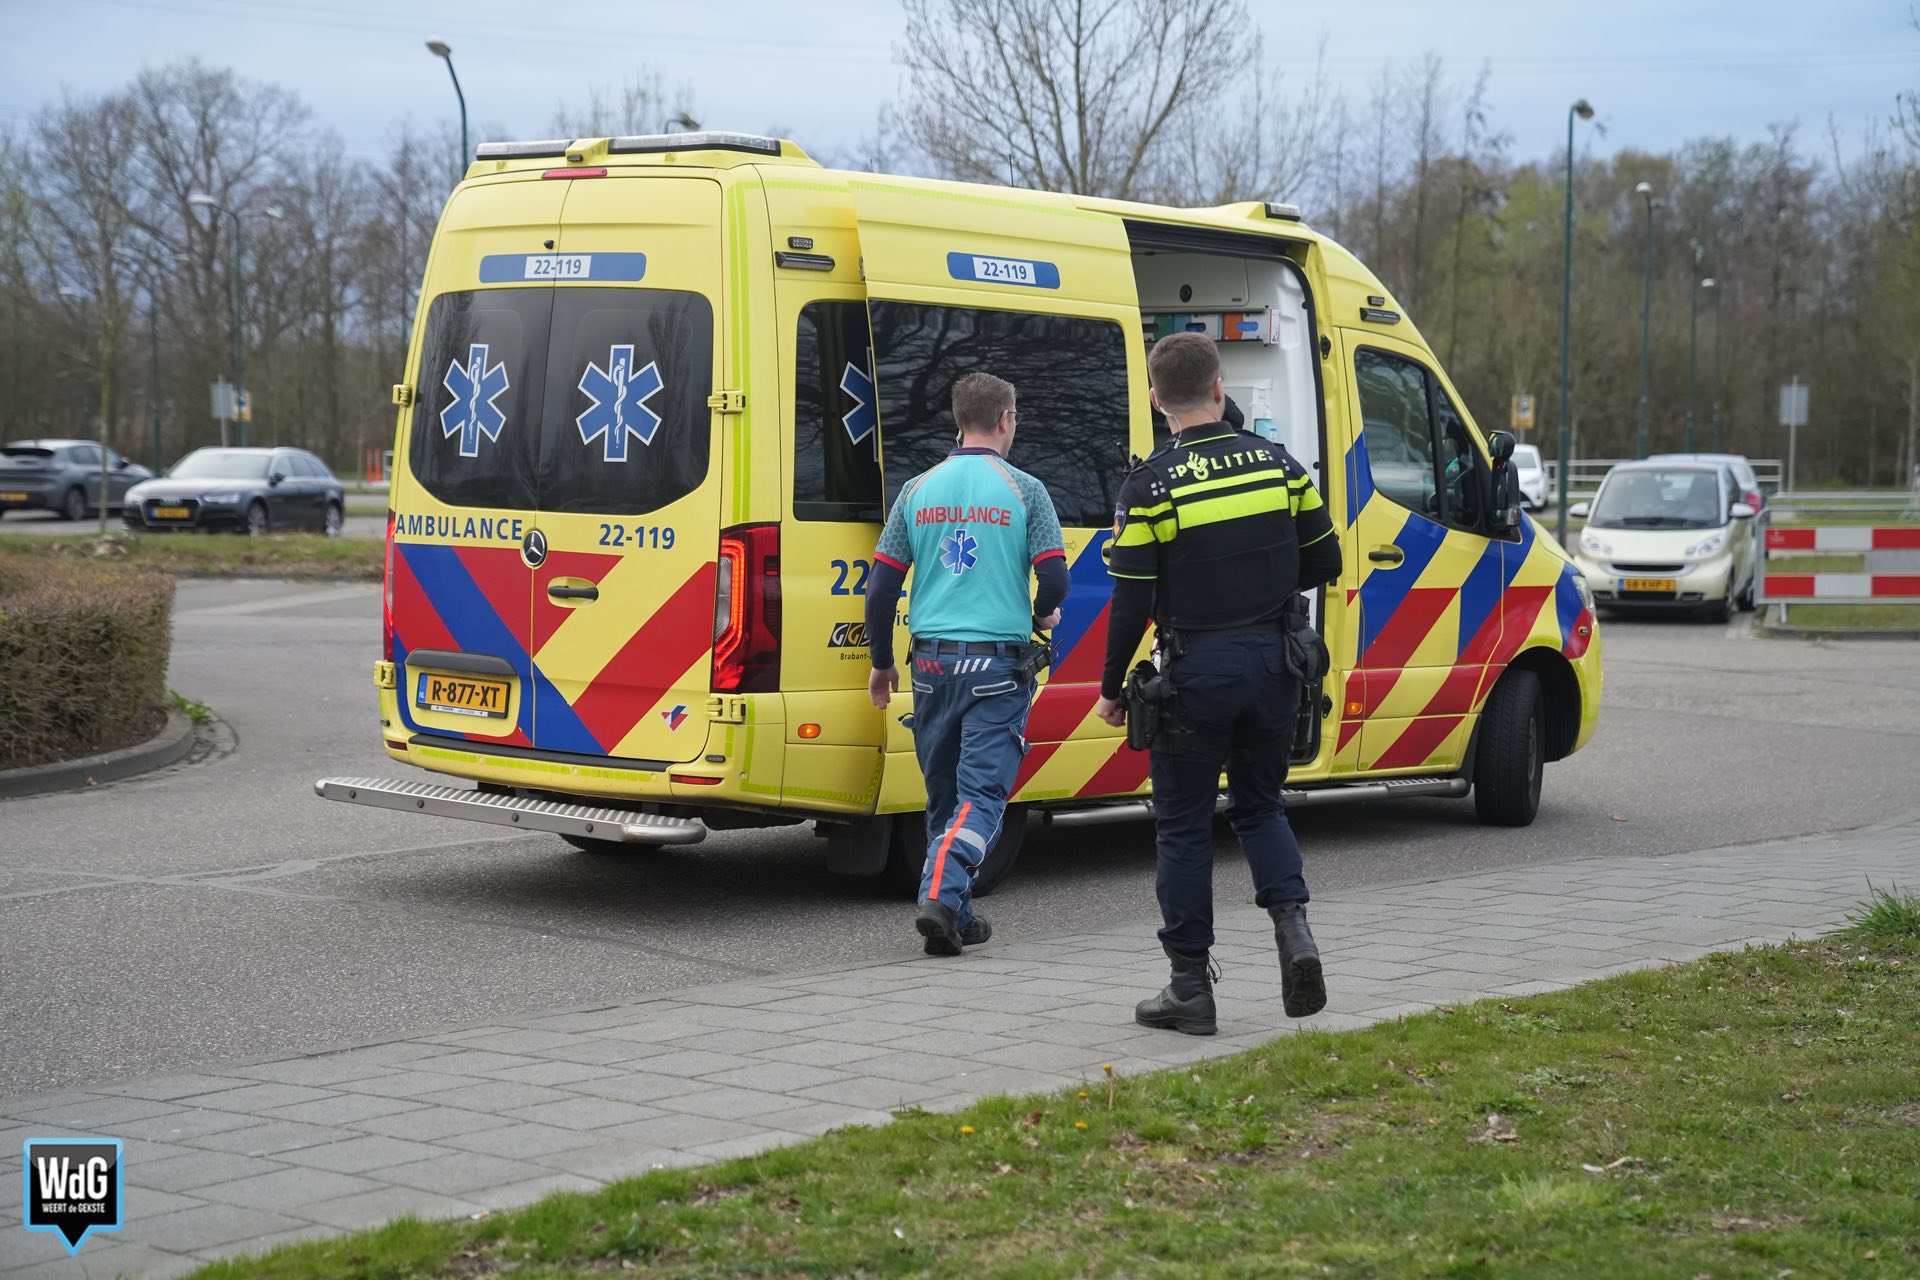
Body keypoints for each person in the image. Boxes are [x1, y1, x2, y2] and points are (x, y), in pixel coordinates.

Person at [1093, 332, 1343, 1035]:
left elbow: (1131, 601)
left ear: (1155, 399)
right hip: (1275, 664)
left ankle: (1189, 990)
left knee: (1182, 828)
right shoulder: (1278, 465)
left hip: (1195, 673)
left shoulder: (1150, 486)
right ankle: (1295, 933)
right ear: (1218, 387)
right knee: (1261, 807)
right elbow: (1324, 560)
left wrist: (1111, 689)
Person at [865, 372, 1070, 956]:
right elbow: (1055, 577)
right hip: (997, 669)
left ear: (959, 421)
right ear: (1005, 419)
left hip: (931, 666)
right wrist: (1042, 613)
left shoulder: (917, 489)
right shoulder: (1025, 489)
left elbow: (880, 590)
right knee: (981, 796)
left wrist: (882, 663)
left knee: (944, 798)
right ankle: (938, 892)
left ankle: (952, 918)